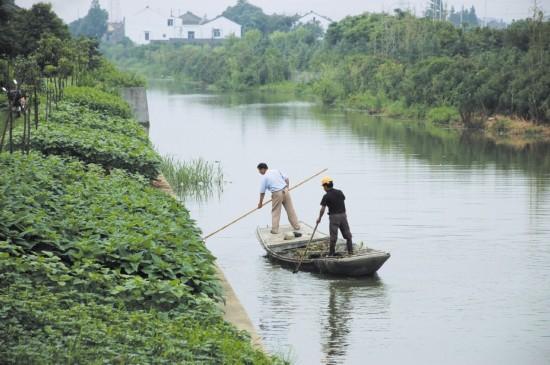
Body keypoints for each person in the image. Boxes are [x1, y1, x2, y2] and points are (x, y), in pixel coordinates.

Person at [257, 162, 301, 234]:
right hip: (285, 190)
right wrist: (287, 188)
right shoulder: (276, 171)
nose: (259, 172)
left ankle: (275, 230)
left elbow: (262, 192)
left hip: (277, 193)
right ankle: (296, 226)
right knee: (290, 210)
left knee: (275, 212)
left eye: (259, 170)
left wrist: (260, 203)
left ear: (263, 169)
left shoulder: (264, 177)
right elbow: (286, 178)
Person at [316, 176, 353, 256]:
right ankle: (351, 252)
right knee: (348, 235)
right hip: (343, 216)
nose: (323, 188)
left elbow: (322, 209)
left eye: (323, 186)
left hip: (334, 218)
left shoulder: (326, 196)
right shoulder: (340, 192)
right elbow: (343, 199)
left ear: (326, 186)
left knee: (333, 237)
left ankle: (331, 254)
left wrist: (319, 218)